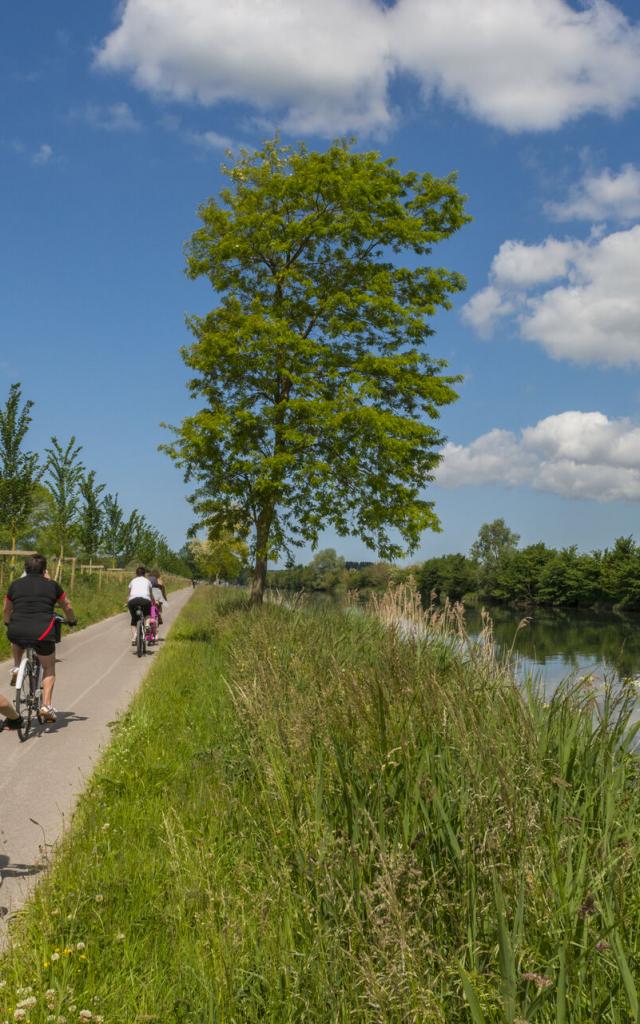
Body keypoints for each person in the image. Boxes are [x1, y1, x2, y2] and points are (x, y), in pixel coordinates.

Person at [3, 553, 76, 725]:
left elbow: (6, 609)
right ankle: (46, 706)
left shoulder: (15, 585)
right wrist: (72, 620)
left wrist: (7, 622)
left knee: (17, 636)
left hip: (17, 630)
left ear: (25, 569)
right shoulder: (52, 586)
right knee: (49, 667)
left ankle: (17, 667)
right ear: (44, 570)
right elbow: (67, 606)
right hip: (42, 632)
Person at [127, 565, 154, 644]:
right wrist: (153, 601)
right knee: (147, 614)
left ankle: (134, 636)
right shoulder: (148, 581)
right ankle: (147, 625)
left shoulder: (132, 581)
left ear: (136, 573)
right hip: (145, 601)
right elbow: (151, 594)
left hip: (133, 601)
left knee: (134, 619)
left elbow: (129, 594)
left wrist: (126, 602)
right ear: (144, 573)